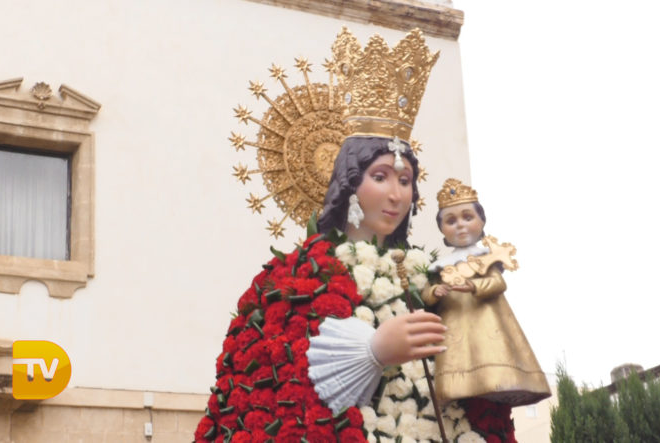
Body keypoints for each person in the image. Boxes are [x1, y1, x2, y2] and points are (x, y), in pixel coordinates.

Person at [195, 28, 518, 442]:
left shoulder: (428, 274)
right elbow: (280, 382)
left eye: (405, 180)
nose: (396, 194)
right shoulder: (294, 277)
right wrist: (373, 351)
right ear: (350, 182)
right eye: (380, 177)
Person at [423, 178, 551, 407]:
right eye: (451, 221)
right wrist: (435, 291)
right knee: (457, 358)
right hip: (453, 319)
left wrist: (474, 286)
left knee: (489, 355)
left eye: (467, 217)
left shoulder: (485, 256)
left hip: (487, 318)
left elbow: (498, 283)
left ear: (481, 221)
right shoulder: (440, 265)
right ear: (442, 229)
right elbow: (426, 294)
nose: (460, 225)